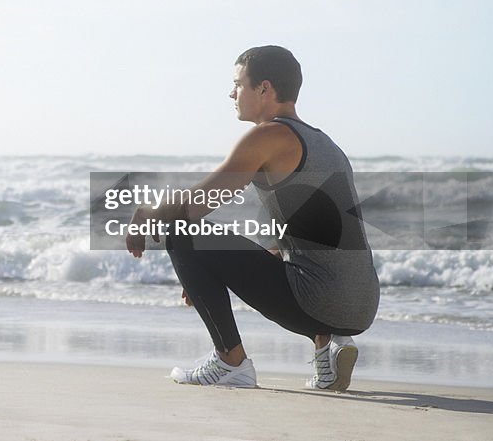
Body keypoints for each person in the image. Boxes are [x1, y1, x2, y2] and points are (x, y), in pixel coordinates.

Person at [126, 46, 380, 389]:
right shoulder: (325, 144)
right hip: (362, 303)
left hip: (320, 300)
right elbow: (316, 236)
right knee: (296, 261)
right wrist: (205, 271)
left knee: (178, 228)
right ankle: (328, 349)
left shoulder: (268, 136)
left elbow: (195, 206)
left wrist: (147, 214)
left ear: (264, 89)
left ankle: (231, 363)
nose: (232, 93)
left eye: (238, 84)